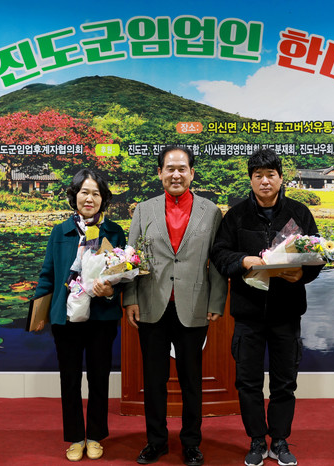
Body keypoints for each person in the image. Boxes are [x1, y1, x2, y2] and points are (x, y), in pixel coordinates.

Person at [210, 148, 323, 466]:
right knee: (247, 382)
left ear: (280, 178)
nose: (264, 181)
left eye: (270, 175)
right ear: (251, 179)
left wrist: (302, 274)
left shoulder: (299, 213)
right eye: (258, 175)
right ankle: (257, 440)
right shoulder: (236, 215)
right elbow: (219, 254)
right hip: (248, 314)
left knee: (285, 381)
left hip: (287, 312)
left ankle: (280, 440)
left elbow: (317, 254)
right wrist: (243, 260)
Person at [124, 145, 228, 466]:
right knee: (153, 380)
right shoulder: (144, 210)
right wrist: (130, 299)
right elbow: (130, 257)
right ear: (160, 173)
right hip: (152, 304)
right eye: (169, 168)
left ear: (192, 173)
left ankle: (191, 443)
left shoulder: (211, 211)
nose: (176, 174)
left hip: (193, 305)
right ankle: (155, 441)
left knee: (191, 381)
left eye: (182, 168)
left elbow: (218, 261)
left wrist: (216, 300)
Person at [32, 168, 125, 462]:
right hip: (67, 317)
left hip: (102, 318)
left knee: (99, 378)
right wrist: (39, 311)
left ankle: (95, 436)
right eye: (84, 192)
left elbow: (123, 276)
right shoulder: (60, 232)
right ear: (74, 196)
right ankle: (75, 437)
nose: (90, 198)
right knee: (69, 379)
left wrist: (111, 291)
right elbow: (48, 274)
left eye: (96, 193)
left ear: (103, 199)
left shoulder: (114, 231)